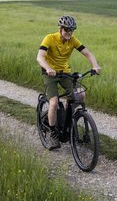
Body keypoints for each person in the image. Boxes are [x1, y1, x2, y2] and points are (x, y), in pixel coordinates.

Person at [36, 15, 101, 149]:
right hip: (50, 73)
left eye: (72, 30)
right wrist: (48, 68)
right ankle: (53, 133)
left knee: (80, 95)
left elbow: (88, 53)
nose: (69, 33)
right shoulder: (50, 38)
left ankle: (66, 119)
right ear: (60, 28)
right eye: (66, 30)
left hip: (65, 72)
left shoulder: (72, 40)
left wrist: (95, 65)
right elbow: (40, 57)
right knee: (53, 103)